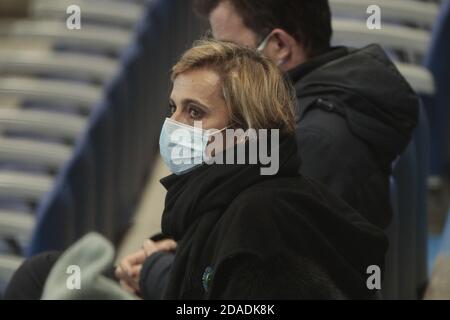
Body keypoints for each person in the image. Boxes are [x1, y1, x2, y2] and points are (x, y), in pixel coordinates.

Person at [5, 40, 387, 299]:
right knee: (45, 272)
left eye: (195, 112)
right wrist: (176, 257)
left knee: (40, 278)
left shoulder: (261, 218)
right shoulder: (239, 190)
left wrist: (157, 275)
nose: (174, 124)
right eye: (173, 108)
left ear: (242, 134)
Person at [195, 0, 420, 230]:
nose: (220, 71)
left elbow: (267, 257)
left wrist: (160, 263)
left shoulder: (310, 144)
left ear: (280, 45)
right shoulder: (337, 94)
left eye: (230, 53)